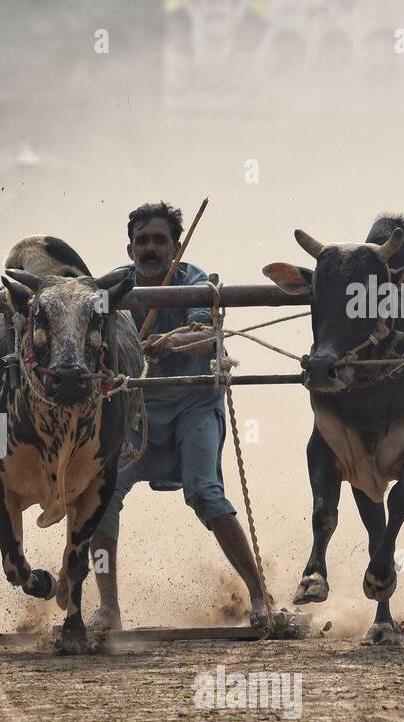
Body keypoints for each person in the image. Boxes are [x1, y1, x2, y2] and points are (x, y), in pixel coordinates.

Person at [89, 201, 268, 631]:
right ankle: (108, 607)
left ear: (176, 247)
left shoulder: (195, 282)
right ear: (129, 247)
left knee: (206, 493)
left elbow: (206, 334)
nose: (150, 248)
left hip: (194, 405)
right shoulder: (110, 288)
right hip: (136, 415)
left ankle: (260, 596)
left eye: (160, 240)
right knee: (102, 497)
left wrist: (172, 343)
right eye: (142, 241)